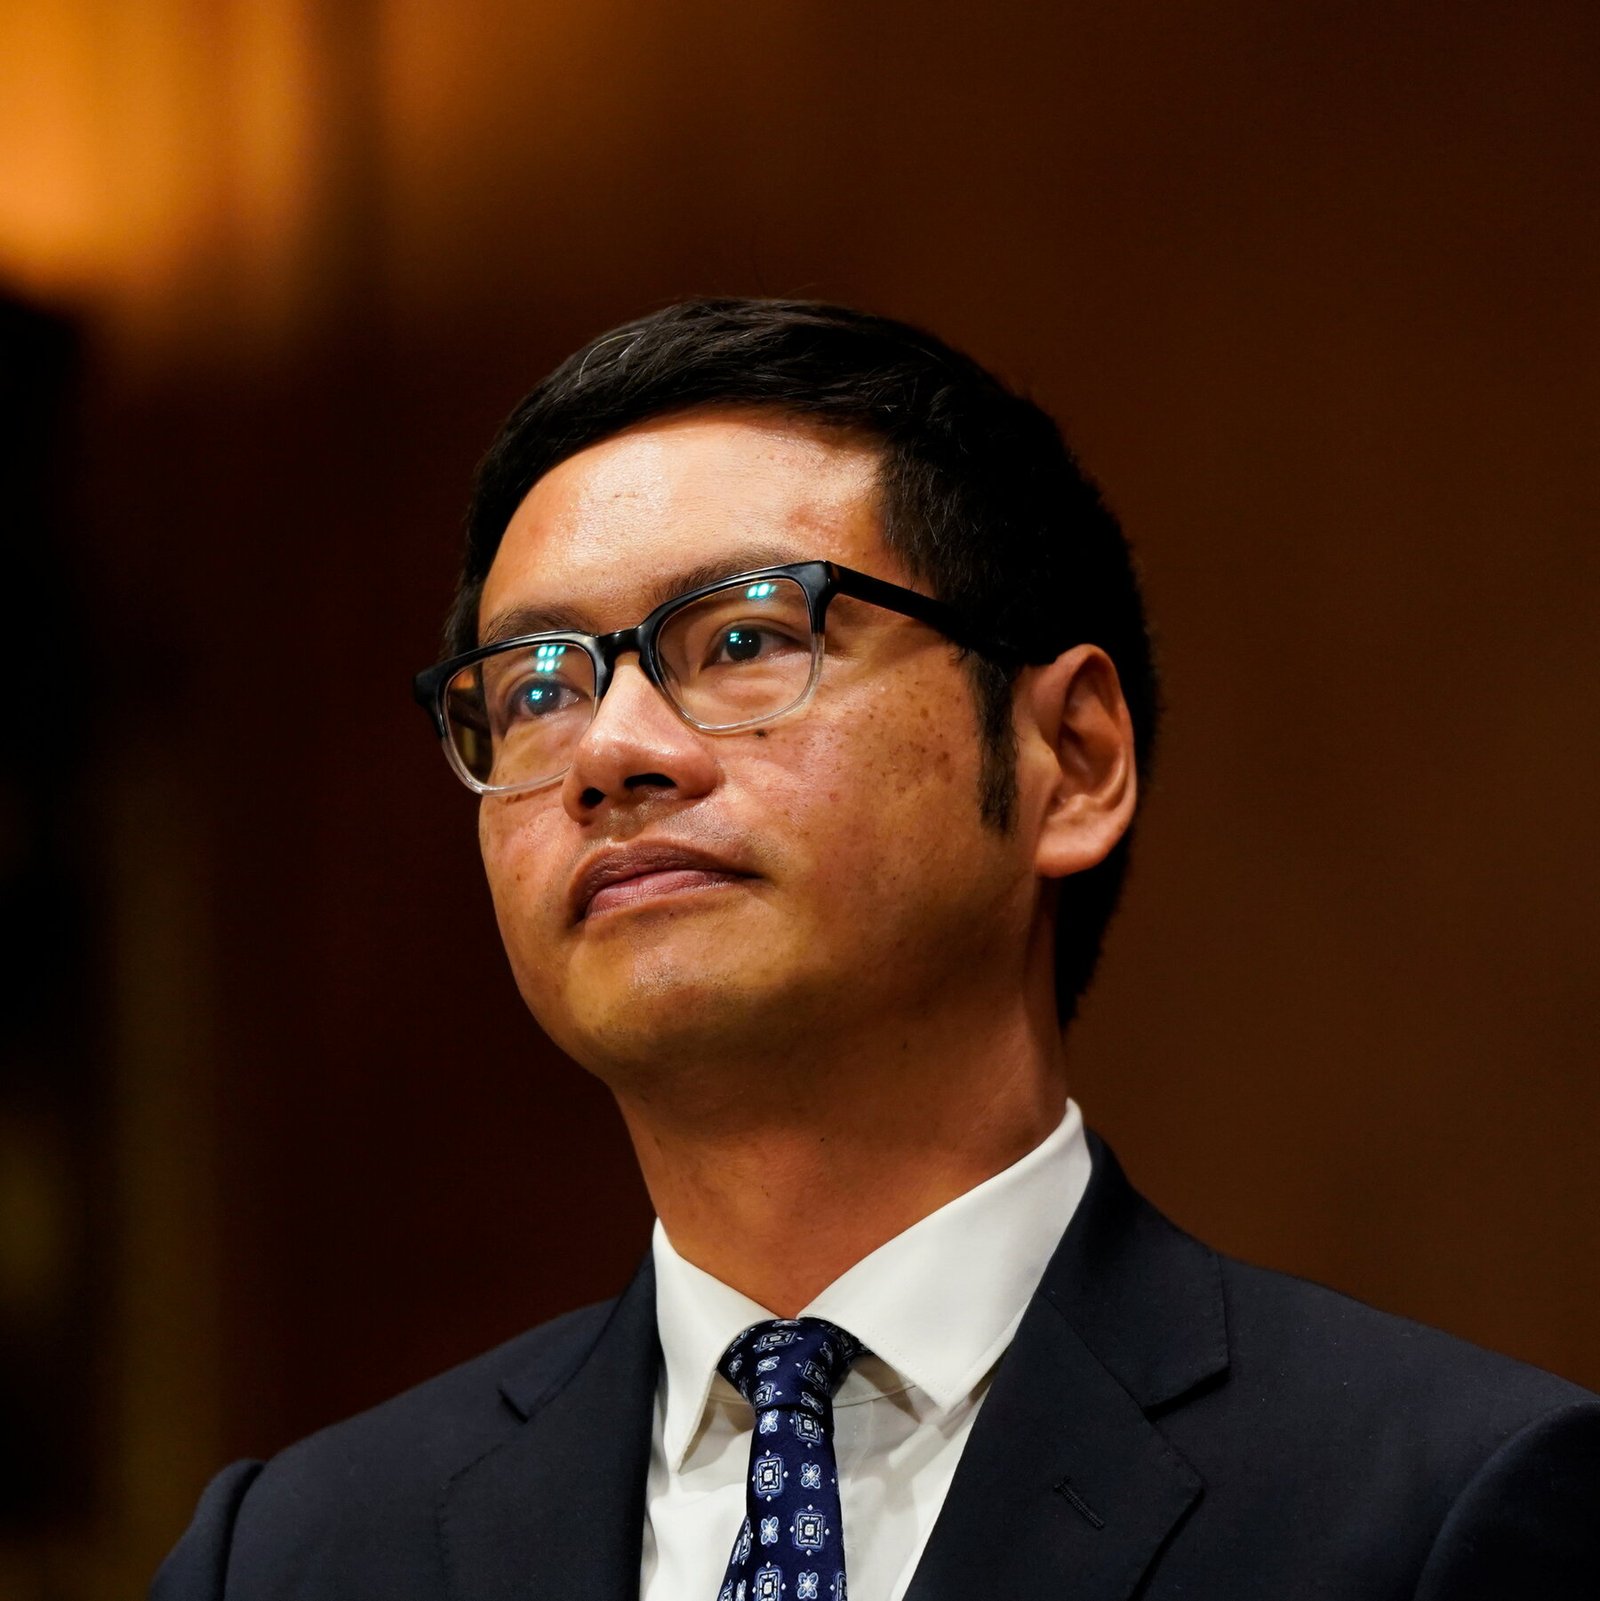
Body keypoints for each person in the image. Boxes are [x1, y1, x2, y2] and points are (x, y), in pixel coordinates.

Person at [153, 299, 1599, 1600]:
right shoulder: (291, 1557)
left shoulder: (1437, 1511)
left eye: (741, 640)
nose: (609, 750)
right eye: (535, 687)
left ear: (1070, 759)